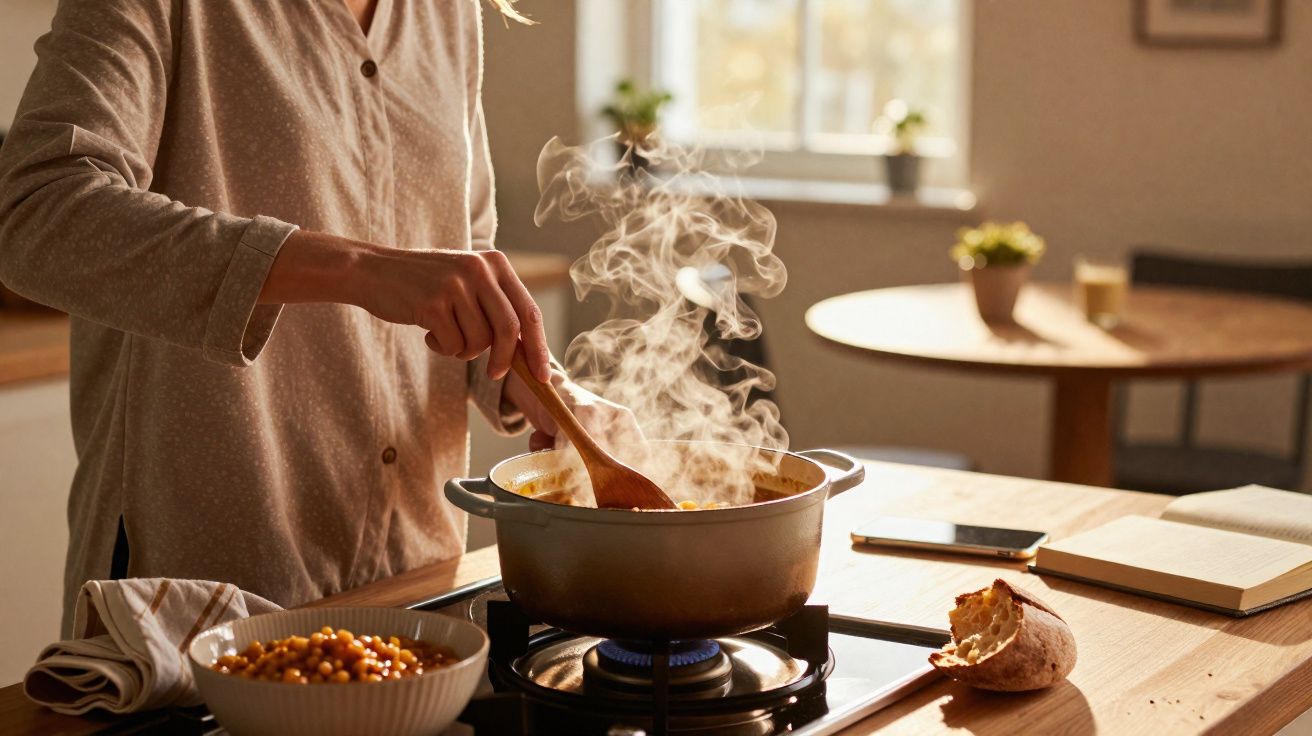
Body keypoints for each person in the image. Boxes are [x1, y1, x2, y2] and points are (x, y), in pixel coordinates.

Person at [0, 0, 636, 635]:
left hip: (416, 593)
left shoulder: (446, 12)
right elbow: (35, 213)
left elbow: (456, 259)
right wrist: (360, 269)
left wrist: (543, 389)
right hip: (201, 605)